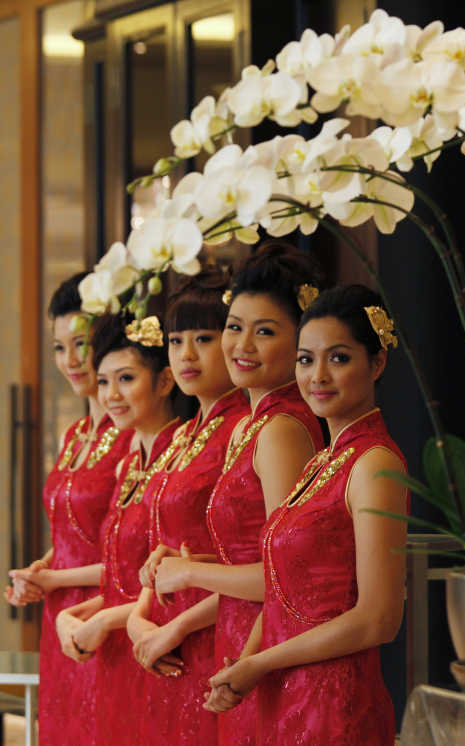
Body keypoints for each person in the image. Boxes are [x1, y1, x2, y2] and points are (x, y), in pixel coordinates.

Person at [205, 285, 408, 746]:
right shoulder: (323, 462)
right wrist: (246, 663)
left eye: (338, 358)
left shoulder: (374, 462)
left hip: (334, 703)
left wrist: (261, 662)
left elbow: (379, 617)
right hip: (285, 691)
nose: (317, 376)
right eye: (305, 359)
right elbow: (280, 591)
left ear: (376, 363)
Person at [154, 242, 325, 746]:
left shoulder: (280, 428)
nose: (241, 345)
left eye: (265, 331)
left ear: (300, 343)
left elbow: (285, 576)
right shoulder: (255, 424)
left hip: (267, 647)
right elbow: (261, 551)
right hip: (241, 642)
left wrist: (189, 571)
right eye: (234, 326)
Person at [4, 272, 133, 746]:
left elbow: (130, 555)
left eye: (82, 342)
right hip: (60, 618)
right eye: (59, 347)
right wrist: (41, 570)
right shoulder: (77, 434)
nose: (71, 360)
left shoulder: (132, 433)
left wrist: (55, 579)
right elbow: (72, 535)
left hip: (106, 617)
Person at [125, 269, 250, 745]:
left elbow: (261, 564)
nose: (187, 355)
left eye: (204, 338)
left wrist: (174, 628)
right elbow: (162, 546)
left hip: (212, 635)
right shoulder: (183, 434)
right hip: (164, 638)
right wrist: (141, 617)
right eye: (176, 341)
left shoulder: (241, 429)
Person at [55, 312, 179, 746]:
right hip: (115, 653)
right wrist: (76, 613)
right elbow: (119, 570)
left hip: (155, 650)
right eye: (104, 382)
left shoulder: (182, 462)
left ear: (165, 381)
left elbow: (177, 585)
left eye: (125, 379)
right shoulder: (129, 462)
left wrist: (104, 618)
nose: (111, 395)